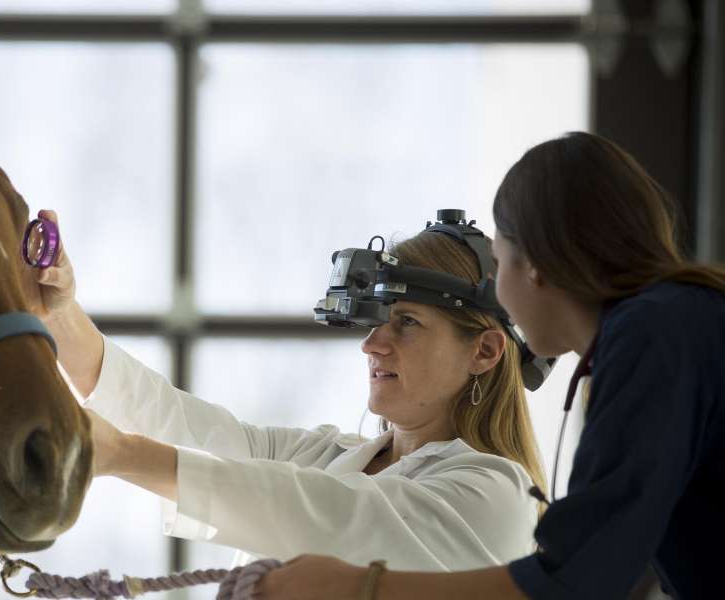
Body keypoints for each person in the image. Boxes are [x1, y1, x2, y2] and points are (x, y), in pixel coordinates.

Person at [254, 131, 725, 599]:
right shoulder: (680, 322)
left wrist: (360, 586)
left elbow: (577, 580)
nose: (499, 294)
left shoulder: (650, 338)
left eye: (499, 263)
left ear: (536, 263)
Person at [30, 208, 547, 571]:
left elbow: (332, 517)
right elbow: (177, 423)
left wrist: (125, 455)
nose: (372, 346)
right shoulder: (326, 455)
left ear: (484, 352)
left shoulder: (496, 492)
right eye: (376, 322)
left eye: (407, 322)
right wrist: (57, 314)